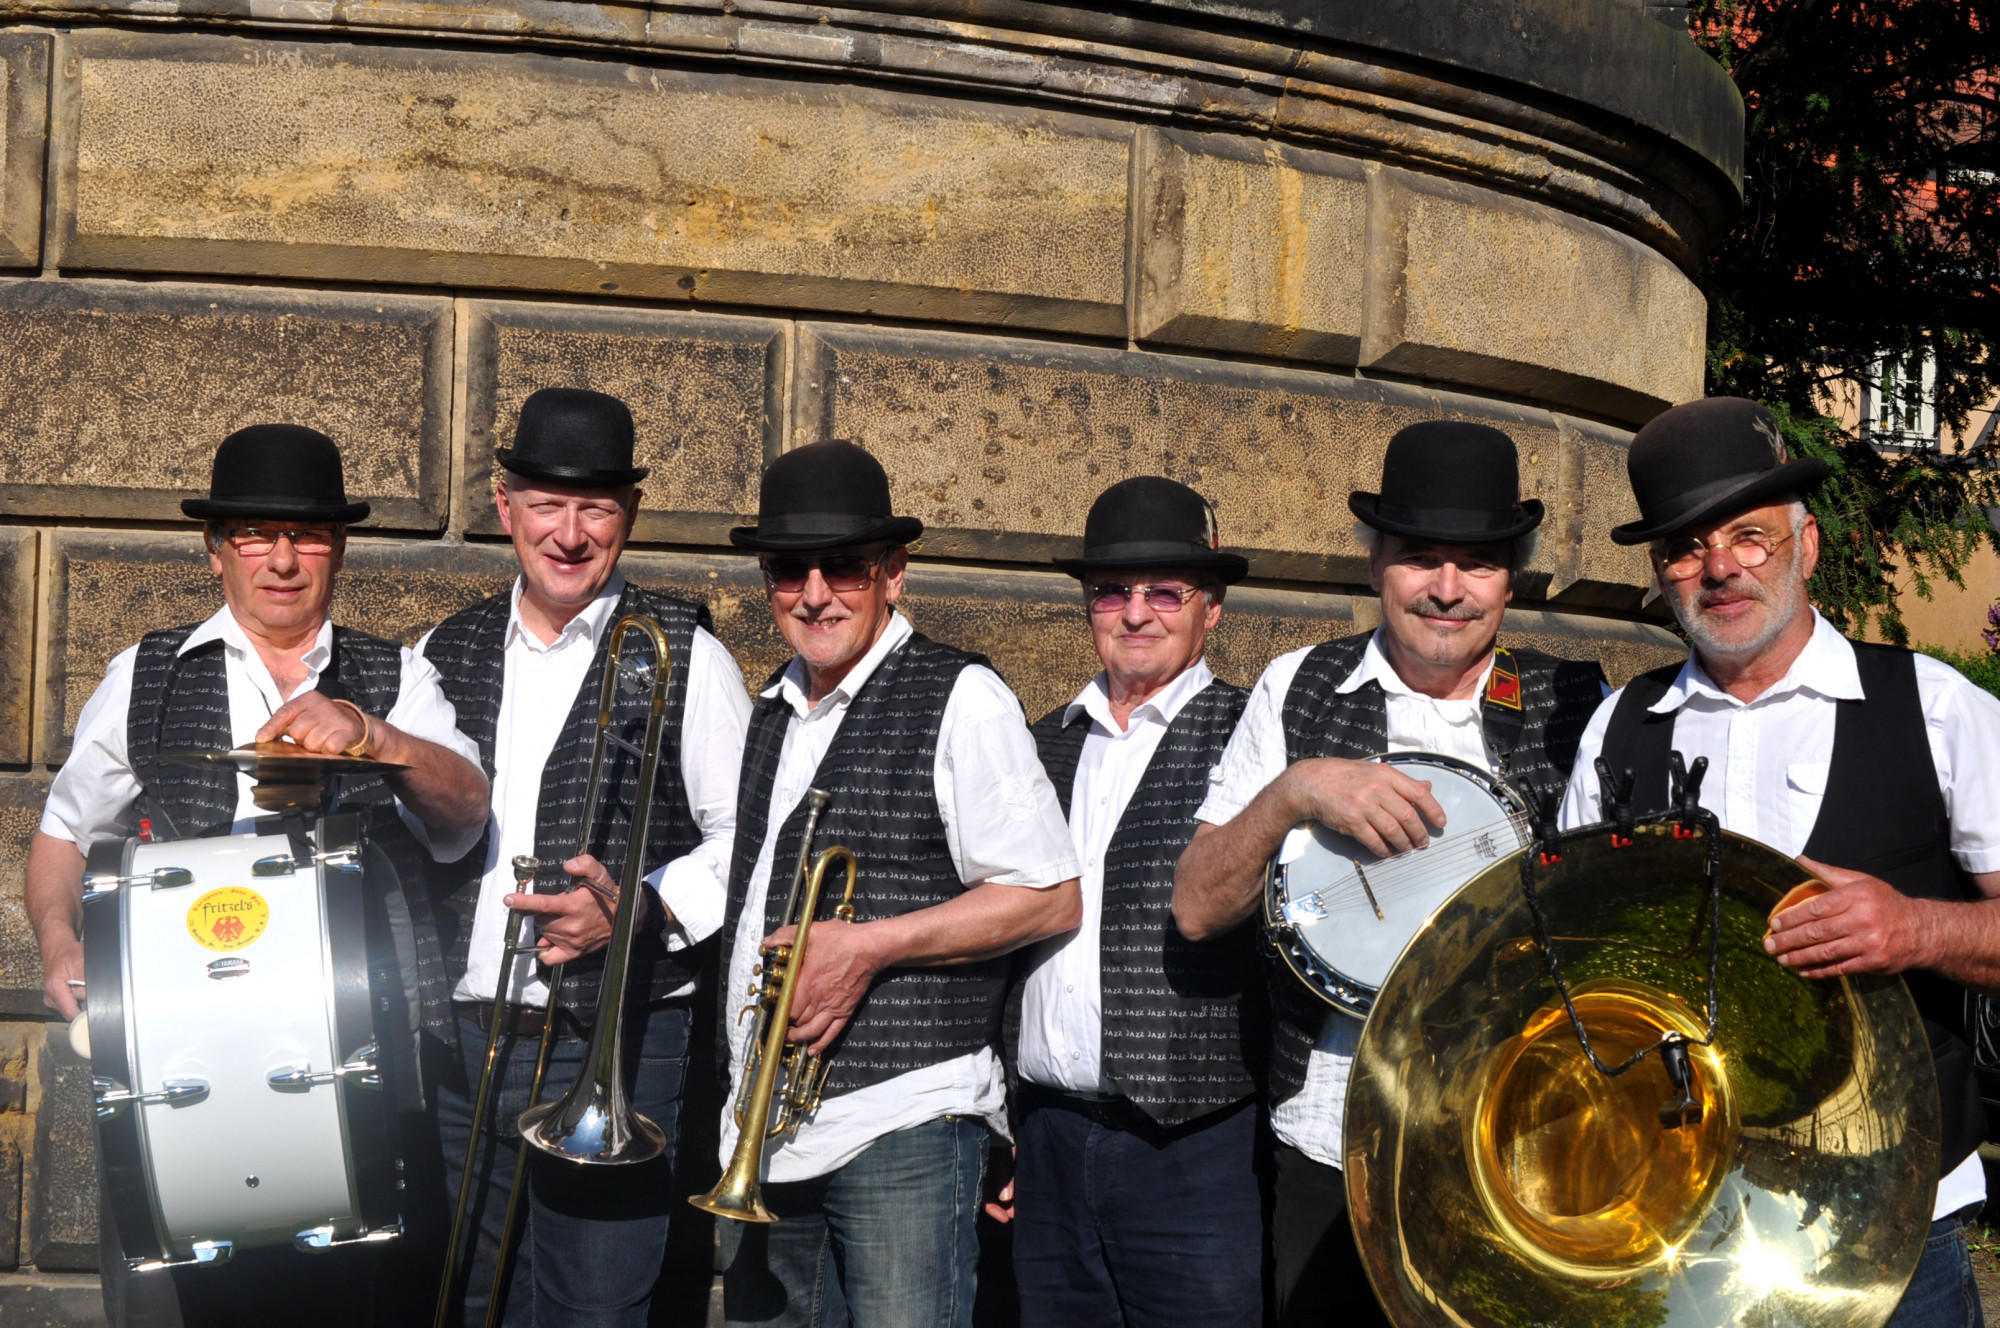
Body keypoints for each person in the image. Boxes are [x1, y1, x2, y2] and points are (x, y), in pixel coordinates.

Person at [26, 423, 490, 1328]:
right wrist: (56, 940)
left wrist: (377, 735)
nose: (282, 559)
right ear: (216, 550)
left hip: (364, 1060)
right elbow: (63, 837)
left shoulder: (399, 677)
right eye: (254, 534)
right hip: (183, 1061)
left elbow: (467, 811)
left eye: (307, 534)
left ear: (340, 550)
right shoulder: (145, 676)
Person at [1558, 396, 2000, 1328]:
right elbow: (1572, 959)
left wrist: (1918, 927)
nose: (1719, 568)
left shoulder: (1936, 706)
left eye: (1749, 537)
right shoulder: (1618, 729)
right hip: (1685, 1225)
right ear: (1659, 573)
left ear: (1804, 545)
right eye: (1685, 547)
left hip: (1904, 1225)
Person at [1170, 421, 1606, 1328]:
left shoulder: (1576, 704)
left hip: (1513, 1147)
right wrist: (1293, 793)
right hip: (1329, 1139)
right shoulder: (1298, 687)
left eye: (1478, 562)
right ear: (1376, 568)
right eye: (1420, 559)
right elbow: (1198, 905)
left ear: (1511, 578)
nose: (1448, 589)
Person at [715, 440, 1081, 1328]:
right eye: (786, 570)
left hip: (907, 1118)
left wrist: (871, 946)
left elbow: (1047, 893)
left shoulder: (963, 696)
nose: (812, 594)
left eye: (841, 568)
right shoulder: (770, 706)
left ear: (892, 574)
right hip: (770, 1126)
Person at [418, 388, 753, 1326]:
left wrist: (637, 907)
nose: (569, 533)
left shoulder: (687, 651)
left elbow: (746, 839)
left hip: (617, 1044)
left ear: (630, 517)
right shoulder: (447, 646)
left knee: (593, 1309)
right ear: (505, 506)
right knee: (473, 1299)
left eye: (596, 507)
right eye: (548, 504)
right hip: (468, 1040)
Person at [998, 476, 1263, 1326]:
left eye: (1164, 593)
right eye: (1113, 591)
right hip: (1044, 1140)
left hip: (1194, 1149)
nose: (1136, 613)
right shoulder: (1037, 743)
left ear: (1210, 609)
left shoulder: (1253, 732)